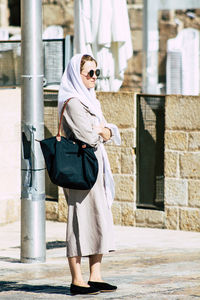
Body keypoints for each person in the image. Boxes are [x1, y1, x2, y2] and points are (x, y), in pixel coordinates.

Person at [58, 53, 121, 296]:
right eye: (90, 73)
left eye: (97, 72)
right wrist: (104, 131)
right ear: (77, 74)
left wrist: (103, 130)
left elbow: (106, 129)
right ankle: (77, 279)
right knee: (78, 221)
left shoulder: (90, 100)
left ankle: (95, 276)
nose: (95, 77)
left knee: (99, 218)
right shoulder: (73, 102)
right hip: (80, 170)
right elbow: (88, 135)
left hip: (94, 167)